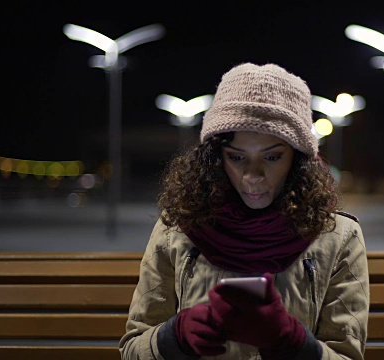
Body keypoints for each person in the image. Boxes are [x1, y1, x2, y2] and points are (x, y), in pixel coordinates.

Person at [119, 62, 369, 359]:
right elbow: (132, 349)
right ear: (214, 159)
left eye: (272, 156)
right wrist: (174, 337)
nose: (252, 175)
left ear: (299, 159)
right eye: (237, 157)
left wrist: (293, 343)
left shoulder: (338, 237)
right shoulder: (177, 228)